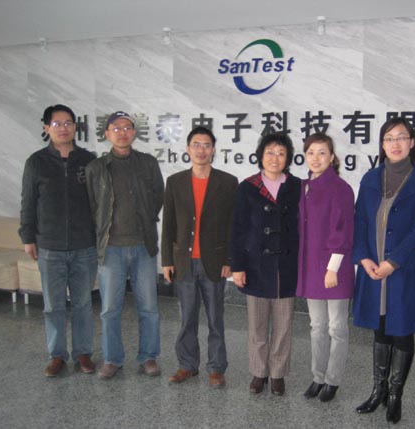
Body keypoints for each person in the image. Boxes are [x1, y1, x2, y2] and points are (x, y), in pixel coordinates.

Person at [352, 117, 415, 424]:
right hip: (373, 266)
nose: (395, 143)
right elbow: (360, 220)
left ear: (412, 143)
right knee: (380, 327)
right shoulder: (370, 178)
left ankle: (394, 395)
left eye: (402, 137)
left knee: (401, 330)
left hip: (405, 268)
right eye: (389, 138)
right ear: (382, 144)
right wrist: (363, 258)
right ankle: (378, 391)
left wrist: (393, 262)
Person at [19, 104, 98, 377]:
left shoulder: (88, 160)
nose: (63, 128)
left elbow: (98, 203)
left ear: (75, 127)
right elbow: (28, 202)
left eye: (68, 123)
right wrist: (28, 237)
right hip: (50, 246)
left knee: (83, 303)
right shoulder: (36, 162)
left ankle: (83, 353)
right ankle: (57, 355)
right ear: (46, 128)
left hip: (84, 245)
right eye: (57, 124)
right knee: (53, 305)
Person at [85, 111, 164, 380]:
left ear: (134, 132)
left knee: (149, 307)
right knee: (110, 309)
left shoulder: (147, 163)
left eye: (127, 127)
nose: (122, 132)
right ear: (107, 133)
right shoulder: (96, 168)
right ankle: (112, 359)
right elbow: (93, 206)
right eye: (116, 128)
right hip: (111, 248)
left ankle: (149, 357)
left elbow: (158, 196)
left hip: (143, 246)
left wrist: (145, 220)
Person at [161, 127, 238, 388]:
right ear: (187, 149)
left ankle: (216, 368)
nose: (201, 150)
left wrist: (229, 259)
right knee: (187, 318)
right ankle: (187, 365)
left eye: (206, 145)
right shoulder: (175, 182)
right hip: (184, 262)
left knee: (216, 318)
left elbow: (232, 225)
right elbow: (168, 224)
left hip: (213, 262)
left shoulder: (227, 182)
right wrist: (167, 260)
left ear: (213, 149)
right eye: (196, 144)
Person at [230, 132, 301, 396]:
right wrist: (237, 266)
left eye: (281, 153)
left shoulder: (296, 186)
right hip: (255, 267)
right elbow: (237, 229)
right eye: (270, 152)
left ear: (288, 158)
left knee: (283, 327)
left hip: (286, 267)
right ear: (260, 156)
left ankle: (278, 374)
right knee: (257, 326)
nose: (275, 158)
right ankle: (259, 372)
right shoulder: (247, 187)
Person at [296, 133, 355, 402]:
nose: (316, 158)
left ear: (332, 157)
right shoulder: (303, 187)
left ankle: (333, 380)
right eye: (311, 152)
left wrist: (332, 268)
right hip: (311, 268)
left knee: (337, 328)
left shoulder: (341, 188)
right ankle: (317, 377)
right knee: (317, 326)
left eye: (322, 152)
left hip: (334, 269)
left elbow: (342, 230)